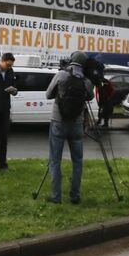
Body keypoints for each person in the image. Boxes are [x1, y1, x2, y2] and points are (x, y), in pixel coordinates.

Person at [45, 51, 94, 204]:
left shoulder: (61, 75)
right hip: (77, 123)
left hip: (58, 121)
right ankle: (75, 196)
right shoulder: (85, 80)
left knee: (55, 160)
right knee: (77, 161)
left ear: (71, 60)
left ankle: (56, 196)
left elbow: (48, 94)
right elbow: (90, 97)